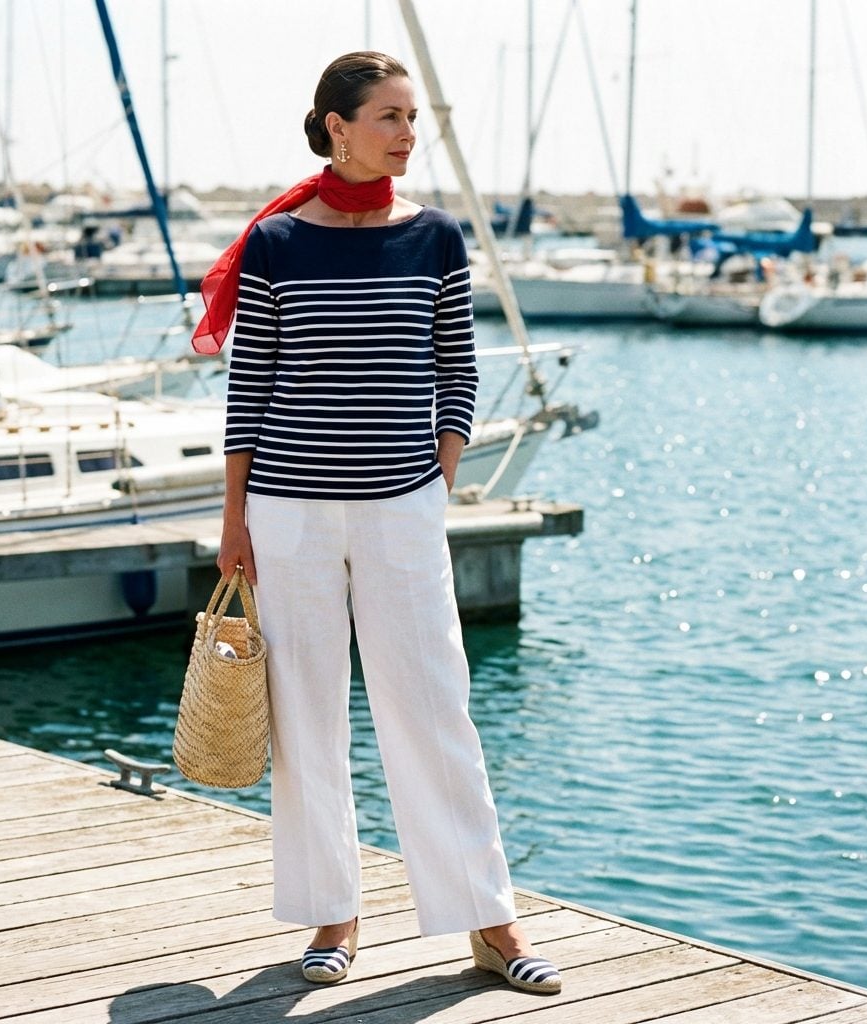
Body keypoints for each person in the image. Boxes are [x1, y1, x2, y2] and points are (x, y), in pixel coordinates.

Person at [193, 51, 562, 997]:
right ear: (336, 126)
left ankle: (489, 919)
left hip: (404, 506)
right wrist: (234, 517)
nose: (406, 132)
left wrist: (437, 469)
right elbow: (252, 386)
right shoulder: (277, 243)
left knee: (435, 708)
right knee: (308, 714)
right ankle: (335, 915)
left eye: (411, 117)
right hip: (289, 510)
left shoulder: (434, 237)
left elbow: (456, 363)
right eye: (388, 116)